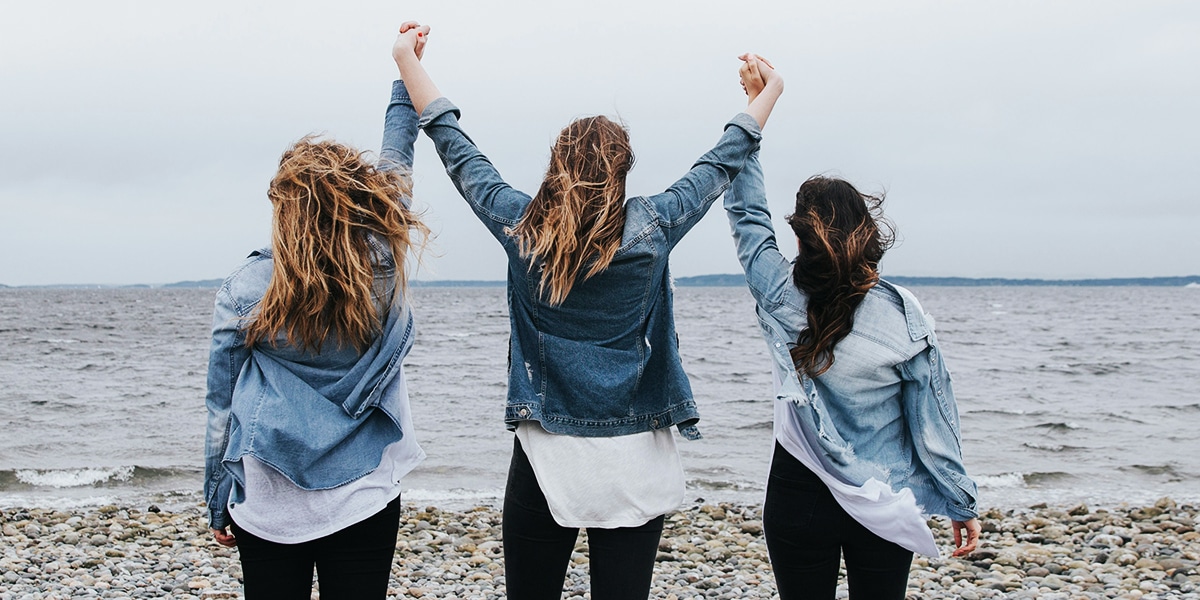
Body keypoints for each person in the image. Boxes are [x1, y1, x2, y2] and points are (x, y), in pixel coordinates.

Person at [390, 22, 783, 600]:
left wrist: (406, 60)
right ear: (622, 172)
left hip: (544, 451)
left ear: (555, 165)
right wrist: (764, 94)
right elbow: (721, 164)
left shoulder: (522, 228)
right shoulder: (653, 226)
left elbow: (456, 149)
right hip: (634, 458)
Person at [724, 56, 982, 599]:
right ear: (866, 234)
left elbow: (746, 213)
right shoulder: (903, 313)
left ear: (798, 241)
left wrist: (756, 108)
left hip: (798, 493)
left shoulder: (778, 291)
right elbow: (933, 421)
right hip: (882, 496)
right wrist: (960, 500)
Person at [202, 27, 432, 599]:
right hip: (364, 494)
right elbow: (396, 155)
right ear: (356, 199)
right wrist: (404, 72)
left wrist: (216, 496)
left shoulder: (247, 287)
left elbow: (221, 404)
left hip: (269, 502)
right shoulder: (382, 255)